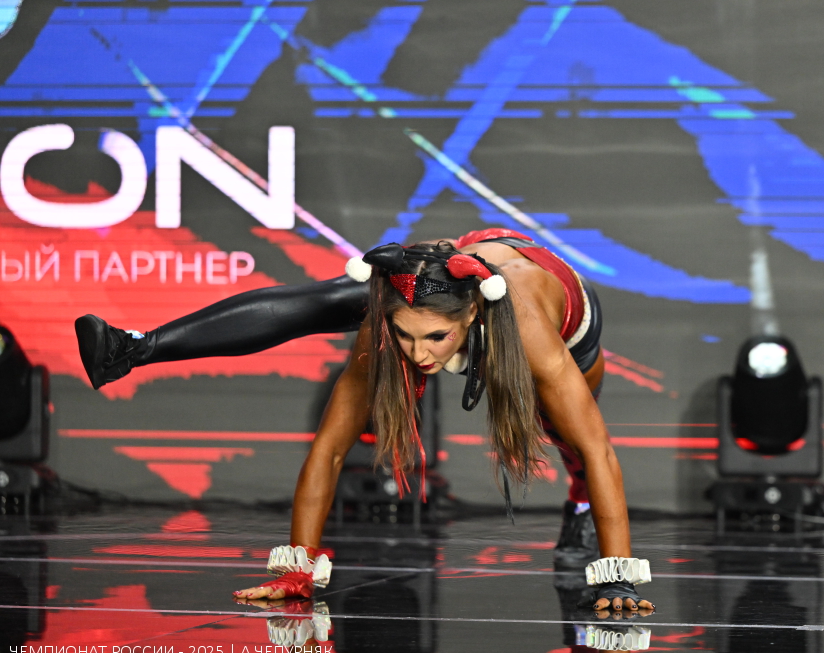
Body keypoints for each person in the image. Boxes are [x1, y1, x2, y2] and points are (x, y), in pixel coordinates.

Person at [75, 228, 654, 613]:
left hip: (557, 300)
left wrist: (617, 578)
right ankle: (132, 347)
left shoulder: (529, 332)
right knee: (340, 297)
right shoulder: (395, 326)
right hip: (463, 258)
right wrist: (297, 571)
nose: (419, 355)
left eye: (435, 339)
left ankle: (578, 505)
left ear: (470, 316)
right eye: (405, 337)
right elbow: (328, 449)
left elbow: (600, 450)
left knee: (569, 437)